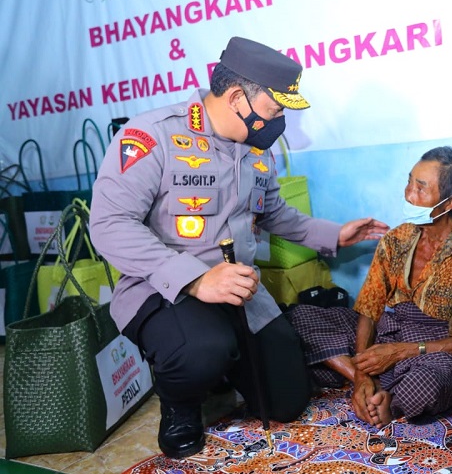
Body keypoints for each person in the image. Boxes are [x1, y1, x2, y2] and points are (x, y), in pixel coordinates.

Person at [89, 36, 389, 459]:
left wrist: (334, 235)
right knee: (200, 352)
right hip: (165, 291)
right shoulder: (153, 136)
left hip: (241, 292)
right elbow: (108, 225)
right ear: (236, 98)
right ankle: (181, 402)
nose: (281, 119)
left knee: (287, 402)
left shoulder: (255, 150)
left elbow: (274, 214)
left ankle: (223, 362)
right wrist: (195, 279)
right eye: (275, 109)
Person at [288, 146, 452, 428]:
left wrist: (401, 352)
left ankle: (390, 401)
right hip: (389, 330)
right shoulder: (395, 239)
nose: (409, 194)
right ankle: (369, 384)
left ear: (448, 203)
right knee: (298, 318)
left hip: (434, 348)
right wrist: (363, 371)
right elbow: (369, 309)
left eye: (421, 188)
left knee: (430, 382)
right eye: (409, 181)